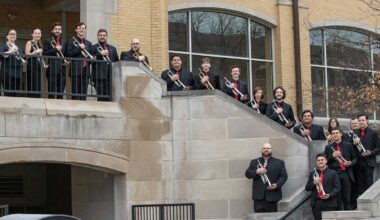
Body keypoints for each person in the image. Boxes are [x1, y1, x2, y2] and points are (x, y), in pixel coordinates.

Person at [245, 143, 288, 212]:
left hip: (273, 196)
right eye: (264, 148)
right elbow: (247, 174)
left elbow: (284, 176)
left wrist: (277, 185)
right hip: (258, 197)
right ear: (262, 150)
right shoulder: (254, 162)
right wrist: (257, 171)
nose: (266, 149)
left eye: (268, 148)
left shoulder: (279, 162)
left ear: (271, 150)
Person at [324, 128, 357, 210]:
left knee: (347, 197)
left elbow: (355, 158)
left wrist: (350, 163)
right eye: (333, 133)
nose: (335, 134)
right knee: (337, 198)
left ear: (341, 134)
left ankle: (348, 216)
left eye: (337, 133)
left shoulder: (348, 145)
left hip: (345, 173)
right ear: (331, 135)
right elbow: (324, 162)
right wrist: (332, 156)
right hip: (334, 174)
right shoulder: (328, 147)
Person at [305, 153, 341, 220]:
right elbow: (307, 188)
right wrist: (314, 183)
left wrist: (329, 195)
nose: (320, 162)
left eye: (322, 160)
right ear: (316, 162)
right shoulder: (312, 173)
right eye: (318, 160)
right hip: (317, 203)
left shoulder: (333, 173)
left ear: (326, 161)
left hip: (330, 203)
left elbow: (338, 187)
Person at [352, 114, 380, 196]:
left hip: (369, 162)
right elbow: (351, 148)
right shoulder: (355, 132)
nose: (361, 122)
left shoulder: (373, 132)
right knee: (359, 186)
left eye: (363, 120)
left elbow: (378, 147)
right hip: (358, 162)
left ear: (367, 121)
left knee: (369, 185)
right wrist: (354, 143)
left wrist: (371, 152)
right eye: (359, 120)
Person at [90, 29, 119, 101]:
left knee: (109, 98)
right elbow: (90, 60)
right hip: (98, 77)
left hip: (110, 77)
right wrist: (100, 54)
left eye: (104, 35)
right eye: (100, 35)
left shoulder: (113, 48)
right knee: (101, 97)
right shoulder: (93, 47)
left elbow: (116, 62)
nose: (102, 37)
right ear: (97, 36)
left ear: (107, 37)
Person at [66, 22, 92, 100]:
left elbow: (89, 58)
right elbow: (68, 54)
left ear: (85, 30)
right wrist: (78, 48)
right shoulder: (71, 41)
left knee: (84, 94)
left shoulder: (88, 43)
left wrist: (91, 58)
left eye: (83, 28)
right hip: (75, 71)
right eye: (79, 28)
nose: (81, 29)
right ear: (76, 30)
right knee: (75, 94)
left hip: (85, 71)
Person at [43, 22, 67, 99]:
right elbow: (45, 53)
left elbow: (66, 54)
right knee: (51, 91)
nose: (57, 30)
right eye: (56, 29)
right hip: (52, 69)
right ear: (52, 31)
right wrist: (55, 49)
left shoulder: (64, 42)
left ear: (61, 31)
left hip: (62, 69)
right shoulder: (47, 41)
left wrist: (68, 61)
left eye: (59, 29)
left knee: (61, 91)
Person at [0, 29, 25, 97]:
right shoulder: (4, 45)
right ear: (7, 36)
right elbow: (1, 55)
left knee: (14, 94)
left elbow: (22, 58)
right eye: (11, 34)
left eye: (14, 34)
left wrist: (23, 62)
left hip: (17, 73)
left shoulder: (19, 48)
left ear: (16, 37)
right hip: (6, 72)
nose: (12, 35)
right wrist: (11, 51)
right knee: (7, 93)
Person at [25, 28, 44, 98]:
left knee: (38, 85)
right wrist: (35, 52)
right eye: (36, 33)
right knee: (33, 84)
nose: (37, 35)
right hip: (32, 66)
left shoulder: (40, 45)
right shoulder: (29, 42)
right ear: (32, 34)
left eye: (39, 33)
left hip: (38, 67)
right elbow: (26, 55)